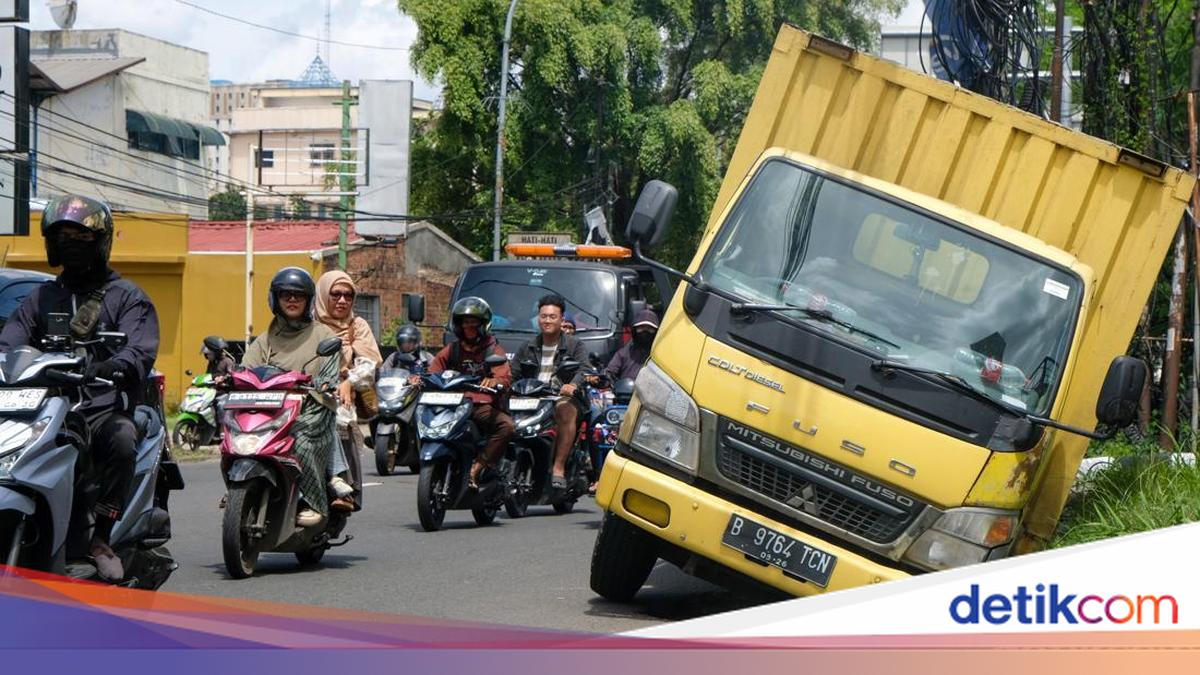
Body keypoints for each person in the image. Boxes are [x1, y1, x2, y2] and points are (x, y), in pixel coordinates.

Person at [0, 194, 160, 582]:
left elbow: (140, 350)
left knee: (122, 439)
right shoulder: (41, 297)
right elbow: (9, 342)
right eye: (62, 236)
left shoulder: (127, 297)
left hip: (101, 407)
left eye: (81, 235)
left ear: (101, 241)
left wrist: (115, 364)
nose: (70, 243)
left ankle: (101, 538)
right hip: (45, 407)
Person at [241, 267, 340, 527]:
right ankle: (240, 488)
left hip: (313, 408)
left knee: (299, 439)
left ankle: (313, 502)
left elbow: (330, 370)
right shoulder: (264, 340)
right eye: (286, 294)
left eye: (299, 295)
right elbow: (245, 370)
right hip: (271, 411)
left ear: (308, 300)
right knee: (239, 437)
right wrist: (228, 379)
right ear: (275, 299)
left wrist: (326, 382)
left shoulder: (324, 335)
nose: (292, 299)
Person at [421, 297, 513, 488]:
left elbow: (504, 377)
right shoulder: (452, 349)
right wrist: (418, 379)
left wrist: (494, 381)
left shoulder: (493, 350)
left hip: (480, 406)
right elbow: (433, 371)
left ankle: (477, 467)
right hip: (452, 404)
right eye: (464, 322)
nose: (468, 327)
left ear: (483, 324)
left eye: (473, 322)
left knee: (506, 426)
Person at [314, 271, 382, 512]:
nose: (342, 300)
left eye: (348, 295)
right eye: (335, 294)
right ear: (323, 295)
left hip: (338, 395)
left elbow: (369, 365)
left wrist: (348, 382)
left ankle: (345, 487)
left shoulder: (357, 325)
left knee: (339, 423)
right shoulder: (308, 324)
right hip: (305, 391)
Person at [512, 294, 588, 490]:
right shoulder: (527, 346)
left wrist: (572, 385)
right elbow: (513, 373)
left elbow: (584, 370)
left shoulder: (574, 345)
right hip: (532, 398)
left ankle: (558, 467)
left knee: (565, 409)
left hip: (560, 397)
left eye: (552, 317)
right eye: (543, 316)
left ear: (561, 320)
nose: (547, 321)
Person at [603, 309, 659, 382]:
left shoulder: (661, 354)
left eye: (649, 328)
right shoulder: (623, 353)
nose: (645, 331)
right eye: (641, 327)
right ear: (634, 330)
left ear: (656, 331)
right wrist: (607, 377)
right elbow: (610, 371)